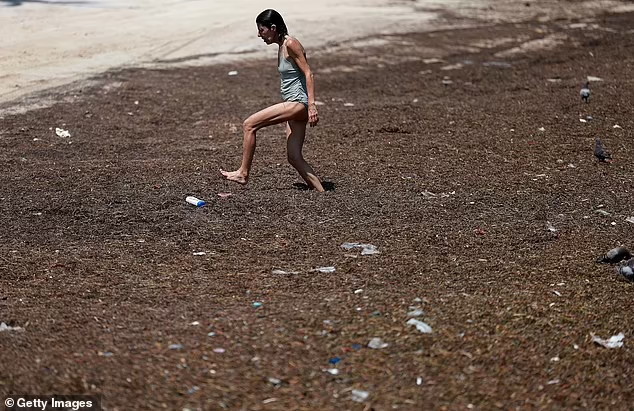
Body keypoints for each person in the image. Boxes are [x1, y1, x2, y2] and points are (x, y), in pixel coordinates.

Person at [220, 9, 325, 192]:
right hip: (295, 105)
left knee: (249, 124)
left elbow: (309, 73)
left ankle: (243, 173)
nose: (259, 34)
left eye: (262, 30)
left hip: (298, 103)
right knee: (294, 157)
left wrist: (312, 106)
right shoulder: (281, 46)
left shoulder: (291, 43)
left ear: (273, 28)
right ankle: (321, 193)